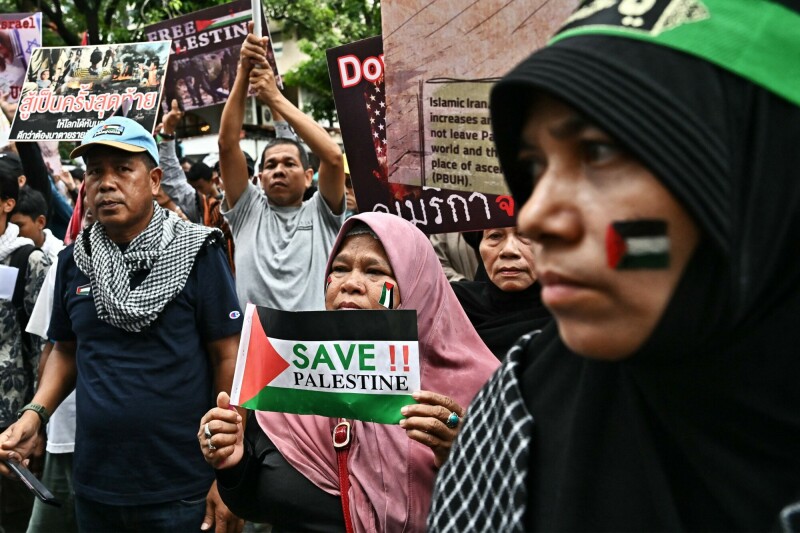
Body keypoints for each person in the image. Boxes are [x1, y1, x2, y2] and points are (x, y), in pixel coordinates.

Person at [429, 2, 800, 531]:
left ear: (766, 177)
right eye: (533, 164)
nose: (534, 217)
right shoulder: (519, 408)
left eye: (600, 151)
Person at [0, 116, 244, 533]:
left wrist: (228, 476)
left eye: (122, 169)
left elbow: (229, 357)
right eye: (95, 172)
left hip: (183, 485)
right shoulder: (74, 262)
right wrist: (33, 415)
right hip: (97, 485)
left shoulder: (199, 253)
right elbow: (66, 351)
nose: (106, 183)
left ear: (153, 180)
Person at [200, 212, 499, 531]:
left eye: (374, 271)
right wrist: (232, 464)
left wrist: (463, 455)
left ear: (417, 284)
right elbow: (259, 504)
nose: (350, 284)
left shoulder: (481, 390)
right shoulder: (287, 386)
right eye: (339, 269)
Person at [219, 25, 345, 311]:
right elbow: (227, 144)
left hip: (314, 348)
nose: (279, 170)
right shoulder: (247, 210)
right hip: (258, 348)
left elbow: (333, 157)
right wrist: (243, 72)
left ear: (308, 176)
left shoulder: (322, 213)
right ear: (259, 177)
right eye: (271, 165)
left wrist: (275, 97)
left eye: (290, 163)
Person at [0, 162, 51, 533]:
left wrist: (36, 420)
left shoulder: (28, 259)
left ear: (6, 204)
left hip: (12, 423)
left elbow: (46, 346)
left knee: (15, 515)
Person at [451, 227, 550, 359]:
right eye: (495, 236)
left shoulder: (577, 318)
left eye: (526, 235)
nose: (509, 250)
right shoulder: (451, 305)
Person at [11, 186, 64, 260]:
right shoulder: (7, 251)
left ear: (40, 222)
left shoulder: (59, 258)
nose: (13, 231)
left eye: (19, 226)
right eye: (9, 226)